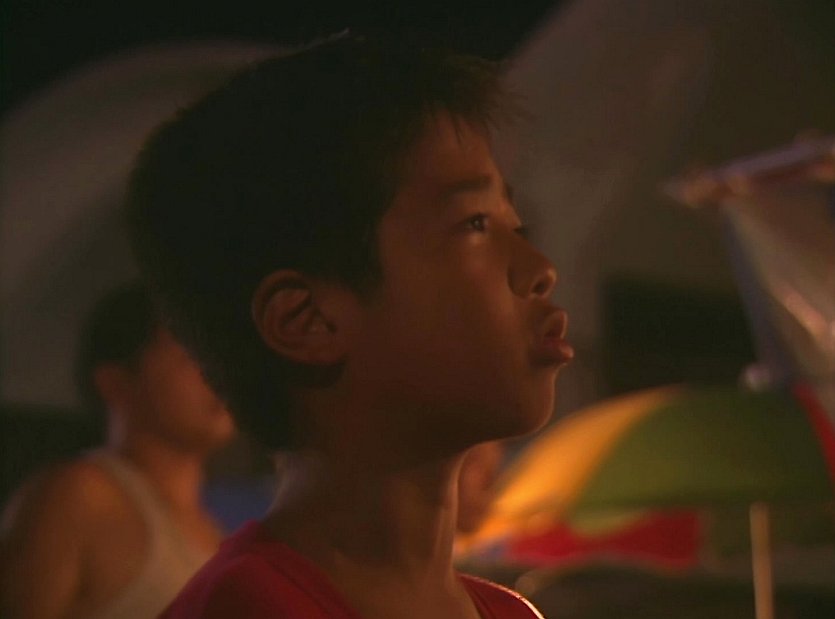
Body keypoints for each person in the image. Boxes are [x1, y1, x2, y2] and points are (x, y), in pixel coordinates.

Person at [127, 35, 573, 618]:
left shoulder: (511, 611)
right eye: (474, 224)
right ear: (307, 320)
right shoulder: (252, 608)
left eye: (517, 228)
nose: (540, 270)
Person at [0, 282, 236, 619]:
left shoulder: (216, 535)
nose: (216, 375)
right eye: (190, 357)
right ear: (115, 382)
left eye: (218, 358)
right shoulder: (79, 497)